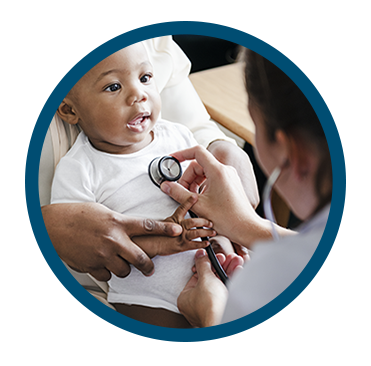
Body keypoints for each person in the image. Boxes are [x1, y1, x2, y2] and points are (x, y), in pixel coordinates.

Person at [25, 33, 258, 330]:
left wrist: (229, 236)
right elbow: (86, 245)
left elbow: (204, 194)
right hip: (148, 298)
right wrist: (169, 241)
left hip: (213, 266)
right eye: (113, 87)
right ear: (70, 110)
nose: (139, 94)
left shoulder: (177, 136)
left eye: (146, 77)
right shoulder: (78, 170)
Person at [161, 34, 346, 329]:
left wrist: (212, 319)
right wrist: (248, 227)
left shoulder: (261, 291)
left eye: (254, 124)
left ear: (290, 152)